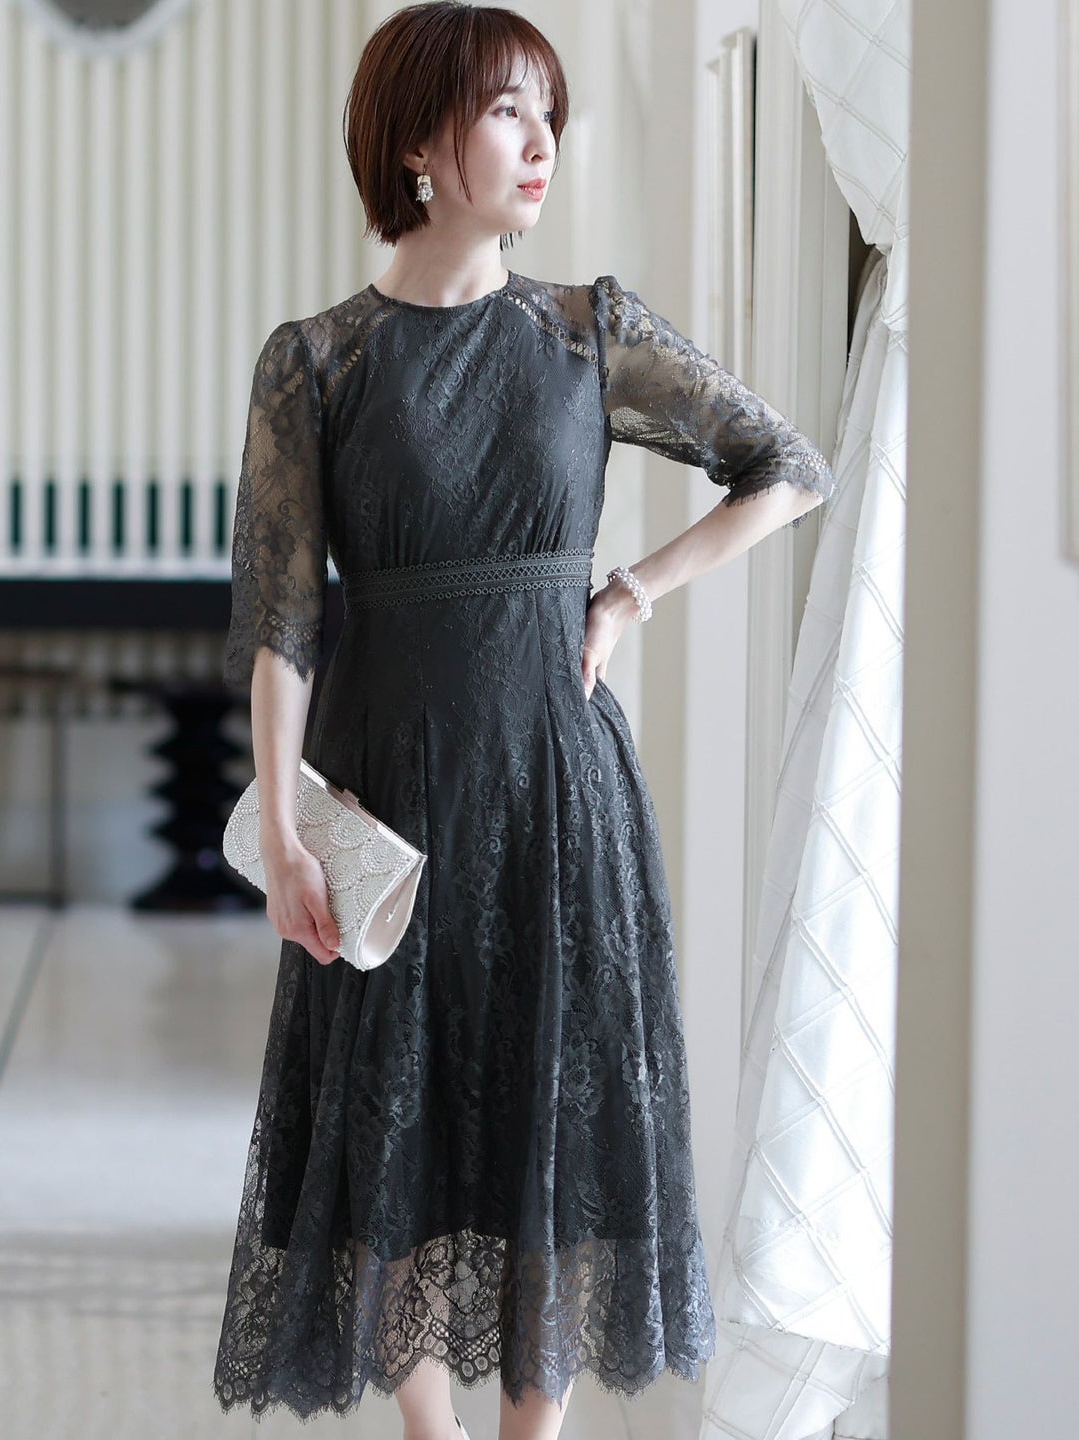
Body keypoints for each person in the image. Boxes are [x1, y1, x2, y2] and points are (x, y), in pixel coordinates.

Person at [212, 4, 836, 1439]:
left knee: (550, 1119)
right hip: (384, 792)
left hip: (558, 788)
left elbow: (785, 465)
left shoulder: (586, 331)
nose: (543, 139)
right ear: (420, 145)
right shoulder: (318, 362)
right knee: (391, 1118)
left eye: (551, 111)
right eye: (508, 110)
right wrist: (284, 829)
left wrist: (631, 591)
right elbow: (279, 620)